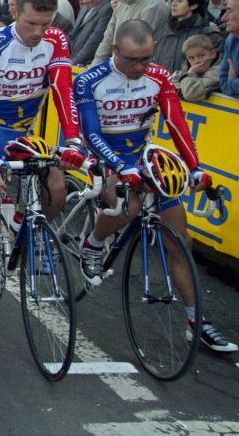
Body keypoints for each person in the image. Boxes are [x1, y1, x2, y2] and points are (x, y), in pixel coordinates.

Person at [74, 20, 237, 353]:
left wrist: (194, 167)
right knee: (127, 207)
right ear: (116, 50)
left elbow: (177, 124)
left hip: (141, 152)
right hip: (103, 152)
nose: (139, 67)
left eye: (146, 59)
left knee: (180, 242)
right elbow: (91, 133)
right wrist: (120, 167)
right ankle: (93, 242)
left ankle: (197, 322)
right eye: (132, 60)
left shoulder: (160, 77)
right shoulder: (91, 80)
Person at [0, 0, 86, 348]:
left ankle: (30, 232)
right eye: (31, 24)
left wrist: (73, 139)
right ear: (15, 13)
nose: (38, 33)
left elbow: (62, 91)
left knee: (57, 188)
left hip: (23, 130)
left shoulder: (56, 40)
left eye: (45, 25)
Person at [92, 0, 170, 63]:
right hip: (119, 65)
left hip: (138, 68)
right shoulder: (122, 1)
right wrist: (94, 66)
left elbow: (137, 45)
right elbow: (109, 36)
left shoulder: (153, 5)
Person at [152, 0, 222, 73]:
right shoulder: (162, 31)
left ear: (194, 5)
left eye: (180, 1)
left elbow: (217, 68)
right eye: (173, 0)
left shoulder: (208, 34)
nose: (173, 4)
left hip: (192, 85)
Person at [69, 0, 114, 66]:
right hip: (73, 59)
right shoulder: (85, 8)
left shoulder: (107, 10)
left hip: (88, 64)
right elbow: (72, 35)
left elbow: (93, 43)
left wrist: (72, 63)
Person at [171, 34, 222, 101]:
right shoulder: (182, 72)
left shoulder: (218, 72)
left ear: (213, 53)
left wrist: (190, 74)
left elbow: (190, 94)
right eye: (191, 58)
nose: (197, 61)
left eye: (202, 55)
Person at [220, 0, 239, 97]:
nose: (224, 18)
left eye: (229, 10)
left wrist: (231, 80)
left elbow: (228, 83)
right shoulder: (231, 39)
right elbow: (223, 83)